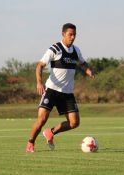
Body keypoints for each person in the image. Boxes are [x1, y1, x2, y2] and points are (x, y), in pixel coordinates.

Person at [26, 23, 94, 152]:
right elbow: (40, 65)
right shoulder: (55, 49)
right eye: (70, 34)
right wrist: (39, 82)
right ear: (63, 34)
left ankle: (51, 132)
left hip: (67, 93)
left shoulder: (76, 50)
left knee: (74, 123)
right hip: (51, 91)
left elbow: (83, 63)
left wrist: (88, 70)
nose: (73, 37)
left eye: (74, 35)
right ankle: (30, 143)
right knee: (42, 120)